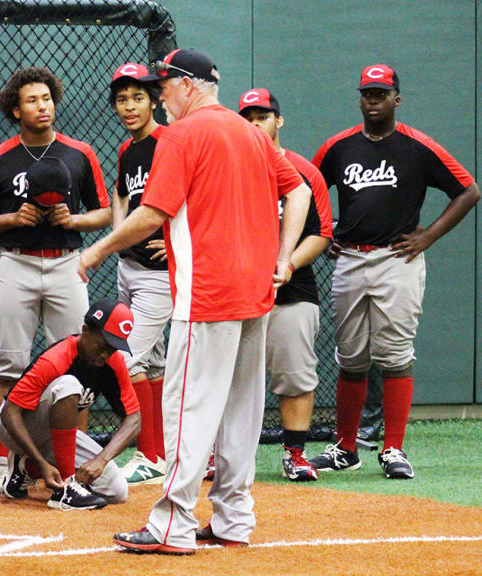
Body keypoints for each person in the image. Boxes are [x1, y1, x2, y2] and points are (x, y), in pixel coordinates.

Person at [78, 49, 311, 553]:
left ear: (189, 85)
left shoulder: (182, 134)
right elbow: (300, 192)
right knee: (241, 414)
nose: (160, 93)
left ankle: (171, 524)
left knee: (189, 409)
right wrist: (284, 259)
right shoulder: (250, 131)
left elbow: (151, 213)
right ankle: (233, 519)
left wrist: (97, 248)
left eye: (164, 84)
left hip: (206, 294)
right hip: (255, 294)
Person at [309, 65, 478, 479]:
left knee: (395, 357)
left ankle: (393, 450)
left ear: (396, 100)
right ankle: (346, 447)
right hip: (349, 258)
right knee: (351, 357)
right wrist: (321, 232)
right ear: (359, 97)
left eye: (381, 94)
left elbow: (469, 190)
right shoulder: (340, 146)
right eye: (367, 93)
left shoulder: (416, 146)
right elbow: (308, 188)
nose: (373, 100)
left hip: (396, 259)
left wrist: (429, 237)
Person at [0, 66, 110, 494]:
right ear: (16, 109)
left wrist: (76, 219)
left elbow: (105, 211)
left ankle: (71, 464)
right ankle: (1, 463)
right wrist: (11, 218)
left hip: (67, 264)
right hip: (16, 264)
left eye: (46, 98)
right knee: (7, 366)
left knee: (79, 367)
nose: (41, 106)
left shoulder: (79, 153)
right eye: (31, 100)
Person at [238, 88, 333, 482]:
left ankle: (295, 454)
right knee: (230, 380)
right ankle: (220, 456)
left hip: (291, 293)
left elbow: (322, 233)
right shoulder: (232, 167)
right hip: (238, 293)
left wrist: (288, 262)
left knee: (294, 376)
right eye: (248, 117)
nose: (256, 123)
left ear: (279, 120)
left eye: (263, 116)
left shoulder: (303, 171)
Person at [0, 294, 139, 510]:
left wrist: (102, 459)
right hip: (16, 427)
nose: (105, 353)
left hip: (55, 435)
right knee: (69, 384)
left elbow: (134, 419)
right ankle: (64, 489)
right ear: (86, 331)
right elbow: (10, 412)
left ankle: (25, 467)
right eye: (102, 345)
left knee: (116, 490)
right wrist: (44, 462)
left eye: (112, 348)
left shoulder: (113, 362)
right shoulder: (57, 358)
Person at [107, 62, 171, 486]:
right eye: (122, 99)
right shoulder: (128, 151)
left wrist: (180, 241)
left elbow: (200, 194)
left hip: (160, 274)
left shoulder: (170, 141)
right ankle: (162, 454)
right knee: (154, 364)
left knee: (128, 359)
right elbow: (122, 194)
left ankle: (150, 455)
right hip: (129, 268)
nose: (129, 107)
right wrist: (117, 233)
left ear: (153, 101)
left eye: (138, 97)